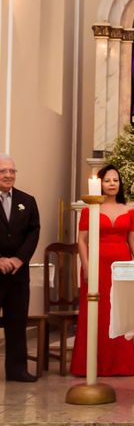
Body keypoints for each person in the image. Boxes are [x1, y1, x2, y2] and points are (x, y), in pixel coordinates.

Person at [70, 164, 134, 376]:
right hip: (96, 267)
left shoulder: (129, 210)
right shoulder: (89, 209)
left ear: (120, 184)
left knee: (119, 311)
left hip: (121, 267)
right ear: (100, 183)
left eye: (116, 180)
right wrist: (86, 265)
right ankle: (90, 365)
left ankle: (121, 364)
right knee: (96, 313)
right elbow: (82, 240)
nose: (112, 184)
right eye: (108, 180)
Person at [0, 154, 40, 382]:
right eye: (3, 171)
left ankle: (17, 370)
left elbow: (34, 232)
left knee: (17, 323)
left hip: (18, 274)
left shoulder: (28, 200)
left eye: (12, 171)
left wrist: (18, 259)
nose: (8, 175)